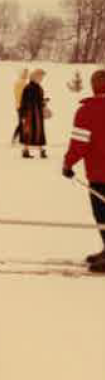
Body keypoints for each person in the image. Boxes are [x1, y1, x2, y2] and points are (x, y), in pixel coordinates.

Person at [62, 70, 105, 273]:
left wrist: (68, 164)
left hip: (100, 174)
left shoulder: (86, 112)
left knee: (102, 215)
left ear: (93, 86)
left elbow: (79, 144)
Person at [19, 69, 48, 159]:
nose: (41, 79)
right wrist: (23, 114)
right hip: (30, 114)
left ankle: (40, 150)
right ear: (35, 77)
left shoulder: (39, 87)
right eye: (40, 77)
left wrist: (44, 102)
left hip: (37, 113)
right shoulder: (28, 88)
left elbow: (39, 100)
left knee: (38, 132)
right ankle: (27, 150)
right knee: (29, 132)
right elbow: (23, 101)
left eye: (42, 77)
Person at [12, 68, 29, 144]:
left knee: (22, 122)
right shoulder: (23, 83)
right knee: (23, 123)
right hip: (23, 106)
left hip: (18, 105)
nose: (26, 75)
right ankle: (17, 138)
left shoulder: (17, 83)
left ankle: (20, 138)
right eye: (25, 73)